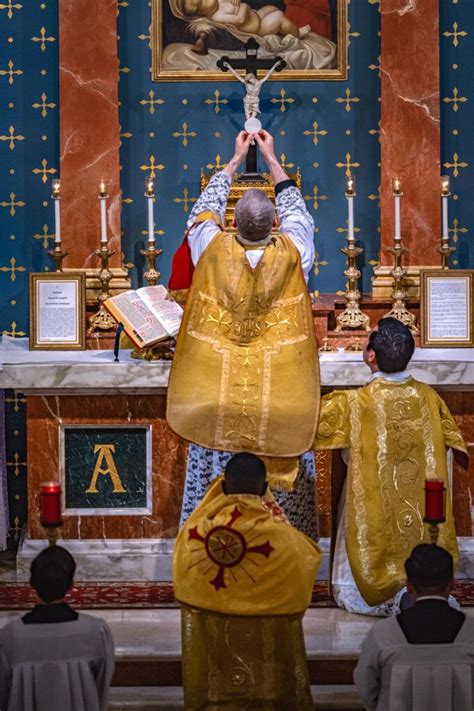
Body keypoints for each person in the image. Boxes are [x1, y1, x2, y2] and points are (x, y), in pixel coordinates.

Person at [167, 129, 320, 540]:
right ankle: (285, 550)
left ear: (232, 222)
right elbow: (299, 213)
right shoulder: (294, 251)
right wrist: (271, 159)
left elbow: (201, 211)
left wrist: (235, 161)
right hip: (279, 399)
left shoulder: (211, 247)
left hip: (220, 398)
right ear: (276, 224)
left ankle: (209, 548)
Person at [314, 317, 468, 616]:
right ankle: (423, 584)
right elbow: (454, 445)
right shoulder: (428, 396)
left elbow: (309, 425)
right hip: (422, 503)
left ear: (370, 355)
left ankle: (373, 585)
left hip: (373, 500)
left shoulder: (355, 402)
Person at [173, 452, 322, 709]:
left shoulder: (198, 532)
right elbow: (307, 561)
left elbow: (184, 573)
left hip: (217, 643)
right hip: (268, 643)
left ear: (224, 485)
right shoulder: (283, 536)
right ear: (265, 488)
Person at [354, 544, 474, 711]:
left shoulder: (383, 635)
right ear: (452, 585)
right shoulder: (471, 634)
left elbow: (366, 689)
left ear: (408, 587)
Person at [0, 546, 114, 711]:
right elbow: (100, 690)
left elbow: (4, 695)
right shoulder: (95, 632)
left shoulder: (10, 636)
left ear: (31, 583)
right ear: (71, 585)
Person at [181, 0, 311, 39]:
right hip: (257, 29)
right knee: (279, 17)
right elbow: (240, 19)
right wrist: (244, 5)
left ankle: (286, 31)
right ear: (202, 11)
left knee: (272, 7)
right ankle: (297, 34)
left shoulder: (218, 3)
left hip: (256, 16)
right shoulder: (217, 17)